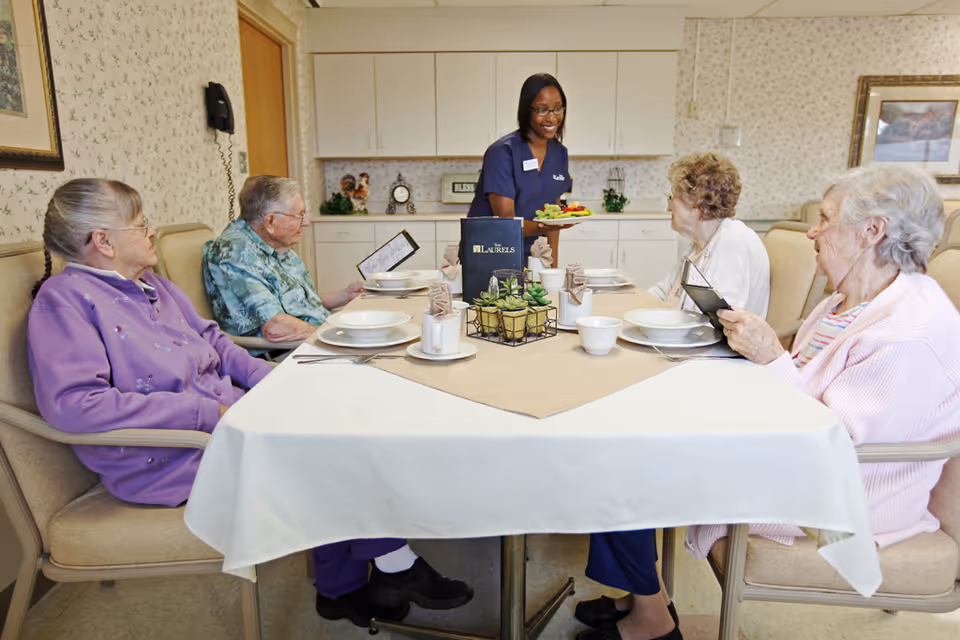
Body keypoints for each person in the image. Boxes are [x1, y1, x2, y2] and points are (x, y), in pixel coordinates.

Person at [28, 179, 473, 629]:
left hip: (225, 420)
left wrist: (273, 381)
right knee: (328, 447)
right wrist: (204, 414)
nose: (151, 233)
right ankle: (392, 567)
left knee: (337, 416)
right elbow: (76, 405)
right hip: (168, 451)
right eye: (141, 225)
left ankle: (344, 590)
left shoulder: (152, 285)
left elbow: (215, 341)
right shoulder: (64, 302)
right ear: (103, 241)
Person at [687, 165, 960, 560]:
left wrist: (771, 358)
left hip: (840, 500)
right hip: (800, 462)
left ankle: (650, 611)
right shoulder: (845, 301)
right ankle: (647, 600)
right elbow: (804, 379)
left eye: (826, 218)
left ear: (872, 231)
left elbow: (832, 442)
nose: (812, 232)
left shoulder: (908, 334)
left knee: (658, 465)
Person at [203, 175, 364, 348]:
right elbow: (275, 326)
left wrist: (345, 295)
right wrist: (339, 337)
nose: (306, 222)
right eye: (299, 216)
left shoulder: (275, 245)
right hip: (285, 352)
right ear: (270, 221)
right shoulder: (237, 254)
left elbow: (299, 304)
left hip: (314, 338)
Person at [467, 73, 574, 265]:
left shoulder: (559, 154)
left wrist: (552, 269)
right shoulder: (502, 152)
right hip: (491, 256)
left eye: (557, 108)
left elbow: (554, 214)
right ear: (526, 111)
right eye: (542, 110)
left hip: (535, 257)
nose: (551, 118)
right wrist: (548, 226)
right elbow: (507, 221)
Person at [650, 153, 770, 318]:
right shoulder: (698, 246)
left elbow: (720, 322)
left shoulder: (733, 242)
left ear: (697, 202)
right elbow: (664, 292)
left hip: (713, 342)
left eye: (673, 198)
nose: (669, 207)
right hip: (683, 336)